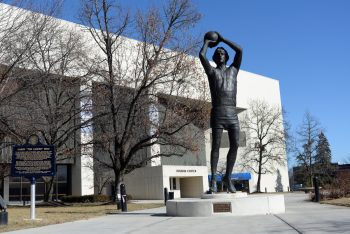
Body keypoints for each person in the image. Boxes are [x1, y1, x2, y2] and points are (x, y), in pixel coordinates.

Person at [199, 32, 243, 193]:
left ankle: (228, 177)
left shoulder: (234, 70)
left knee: (235, 144)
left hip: (232, 113)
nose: (220, 54)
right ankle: (213, 182)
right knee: (215, 147)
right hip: (217, 113)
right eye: (218, 53)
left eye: (223, 53)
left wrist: (223, 39)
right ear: (215, 58)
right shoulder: (212, 73)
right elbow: (201, 55)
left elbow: (240, 50)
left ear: (227, 57)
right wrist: (207, 42)